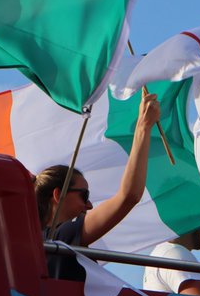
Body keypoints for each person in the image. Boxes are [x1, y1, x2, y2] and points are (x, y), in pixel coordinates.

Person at [35, 87, 160, 247]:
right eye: (84, 195)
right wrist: (143, 126)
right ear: (58, 195)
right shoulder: (59, 237)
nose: (89, 205)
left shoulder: (42, 243)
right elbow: (129, 196)